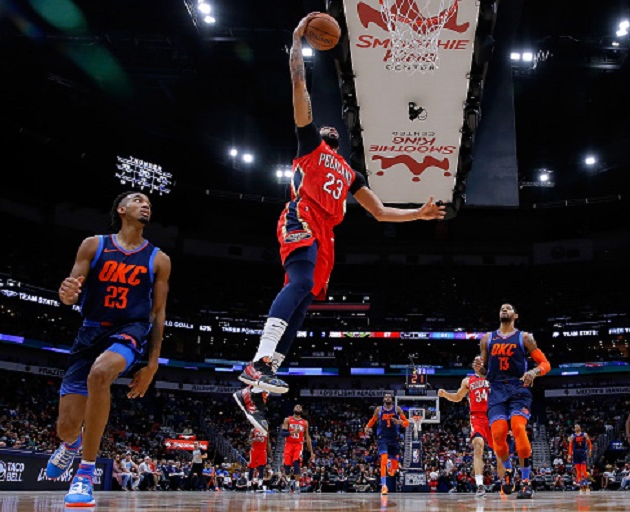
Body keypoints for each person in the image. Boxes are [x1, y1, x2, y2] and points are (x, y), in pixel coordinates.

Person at [233, 12, 446, 434]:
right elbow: (299, 85)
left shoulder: (350, 173)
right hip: (302, 215)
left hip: (326, 234)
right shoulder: (308, 144)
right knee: (297, 284)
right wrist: (297, 41)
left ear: (342, 141)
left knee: (302, 303)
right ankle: (258, 363)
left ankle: (253, 388)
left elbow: (381, 212)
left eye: (334, 128)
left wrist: (418, 214)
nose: (327, 125)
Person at [44, 190, 171, 506]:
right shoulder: (93, 244)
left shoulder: (159, 259)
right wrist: (65, 293)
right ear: (122, 209)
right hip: (89, 333)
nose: (146, 205)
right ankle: (71, 445)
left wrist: (152, 364)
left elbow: (158, 313)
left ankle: (84, 474)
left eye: (149, 204)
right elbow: (71, 291)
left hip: (129, 332)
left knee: (101, 374)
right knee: (66, 428)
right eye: (139, 200)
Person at [473, 304, 551, 499]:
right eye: (501, 308)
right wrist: (478, 368)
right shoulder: (487, 339)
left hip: (518, 388)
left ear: (515, 315)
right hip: (497, 389)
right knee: (498, 434)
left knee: (517, 428)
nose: (504, 309)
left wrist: (533, 372)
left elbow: (545, 364)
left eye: (508, 308)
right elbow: (483, 371)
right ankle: (508, 473)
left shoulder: (525, 337)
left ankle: (526, 481)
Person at [438, 356, 505, 497]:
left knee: (500, 452)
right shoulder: (468, 381)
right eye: (475, 361)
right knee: (478, 445)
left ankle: (504, 483)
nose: (477, 362)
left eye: (480, 361)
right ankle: (480, 485)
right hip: (477, 417)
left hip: (493, 416)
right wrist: (445, 395)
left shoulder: (494, 377)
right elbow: (457, 397)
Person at [364, 393, 409, 495]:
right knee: (383, 459)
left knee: (394, 469)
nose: (388, 398)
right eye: (386, 396)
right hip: (382, 438)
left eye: (389, 396)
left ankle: (391, 466)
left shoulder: (397, 409)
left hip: (394, 438)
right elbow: (373, 420)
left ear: (392, 399)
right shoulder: (379, 410)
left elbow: (406, 423)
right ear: (383, 399)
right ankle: (384, 486)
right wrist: (367, 426)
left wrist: (400, 422)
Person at [281, 404, 313, 493]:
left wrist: (312, 452)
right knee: (287, 467)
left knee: (296, 464)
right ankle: (288, 483)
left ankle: (297, 486)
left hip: (298, 445)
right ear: (293, 409)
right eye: (296, 406)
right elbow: (283, 434)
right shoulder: (288, 419)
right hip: (288, 444)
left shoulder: (305, 422)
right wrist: (292, 432)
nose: (298, 408)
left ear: (302, 410)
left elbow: (307, 437)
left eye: (300, 407)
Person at [567, 423, 593, 493]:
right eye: (575, 427)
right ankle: (581, 485)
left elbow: (589, 443)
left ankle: (587, 484)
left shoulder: (584, 434)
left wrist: (590, 450)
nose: (576, 428)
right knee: (578, 471)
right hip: (575, 454)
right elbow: (570, 446)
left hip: (582, 453)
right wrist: (569, 455)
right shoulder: (572, 436)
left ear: (580, 428)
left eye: (577, 427)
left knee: (583, 470)